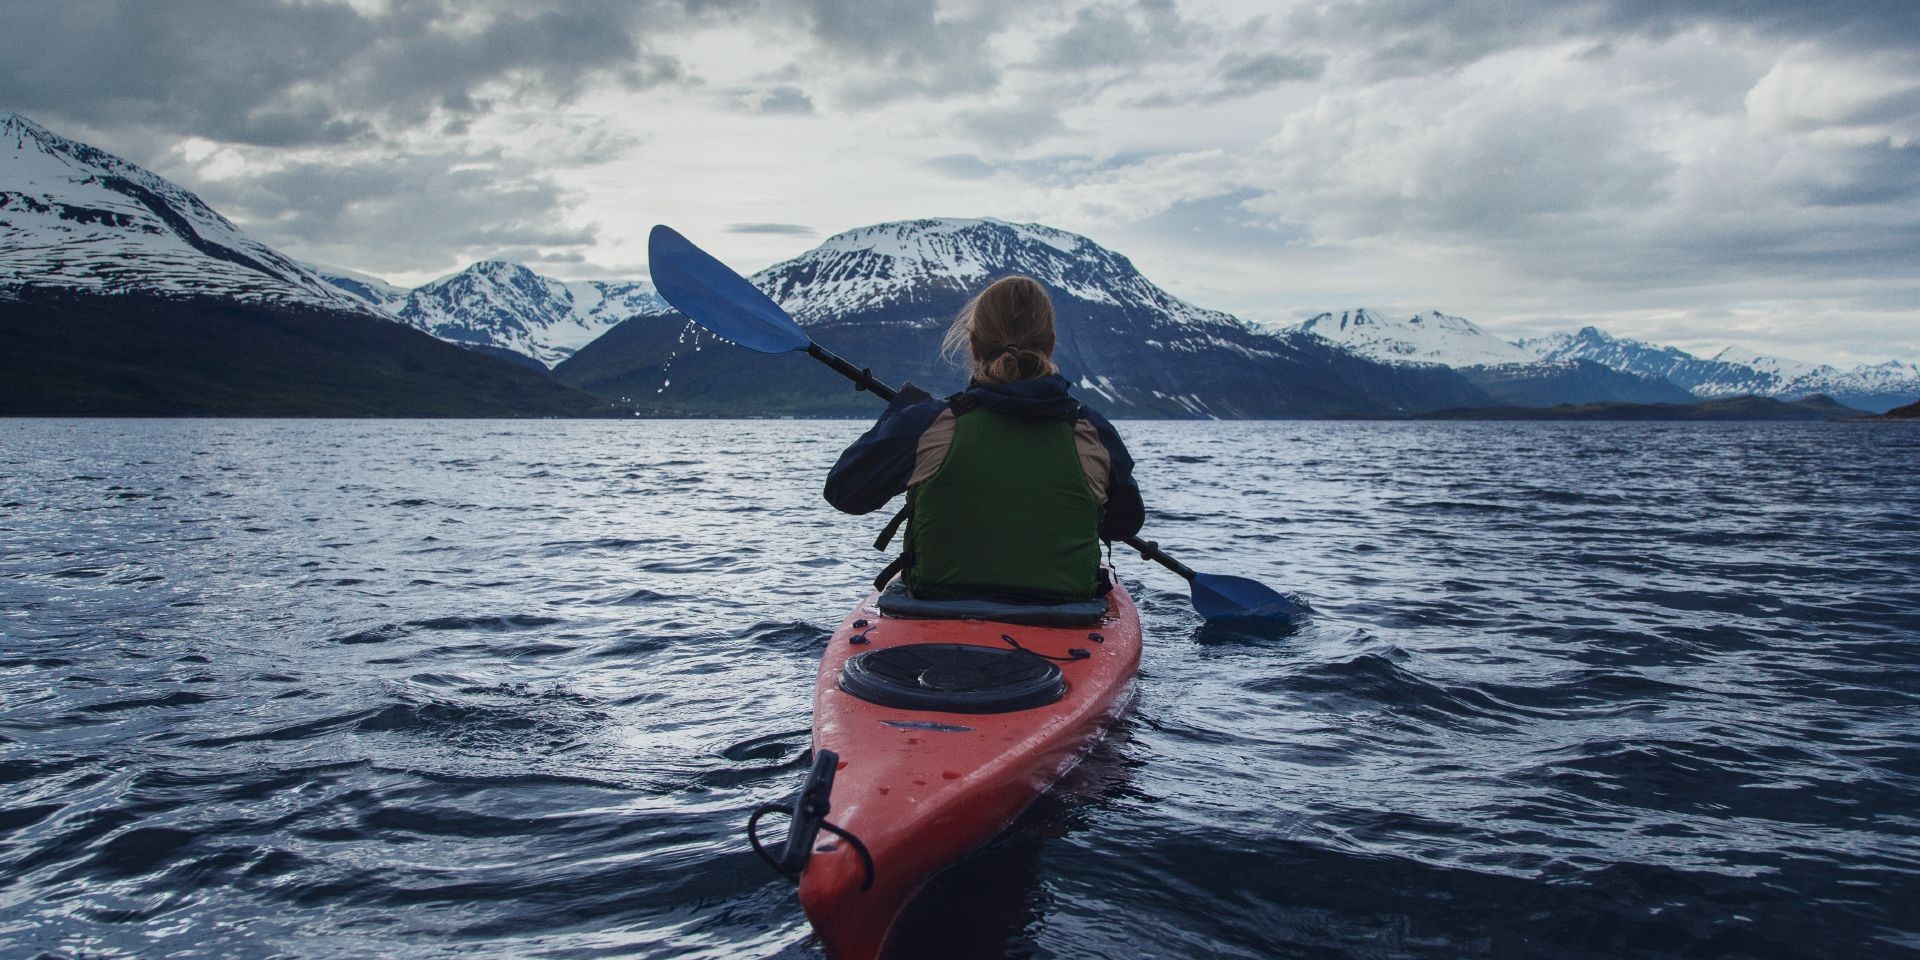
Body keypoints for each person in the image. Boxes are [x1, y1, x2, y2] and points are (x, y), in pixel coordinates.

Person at [824, 275, 1144, 603]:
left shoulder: (927, 423)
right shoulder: (1092, 430)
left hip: (936, 608)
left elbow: (844, 493)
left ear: (974, 345)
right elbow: (1125, 523)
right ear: (1050, 344)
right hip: (1066, 611)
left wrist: (902, 413)